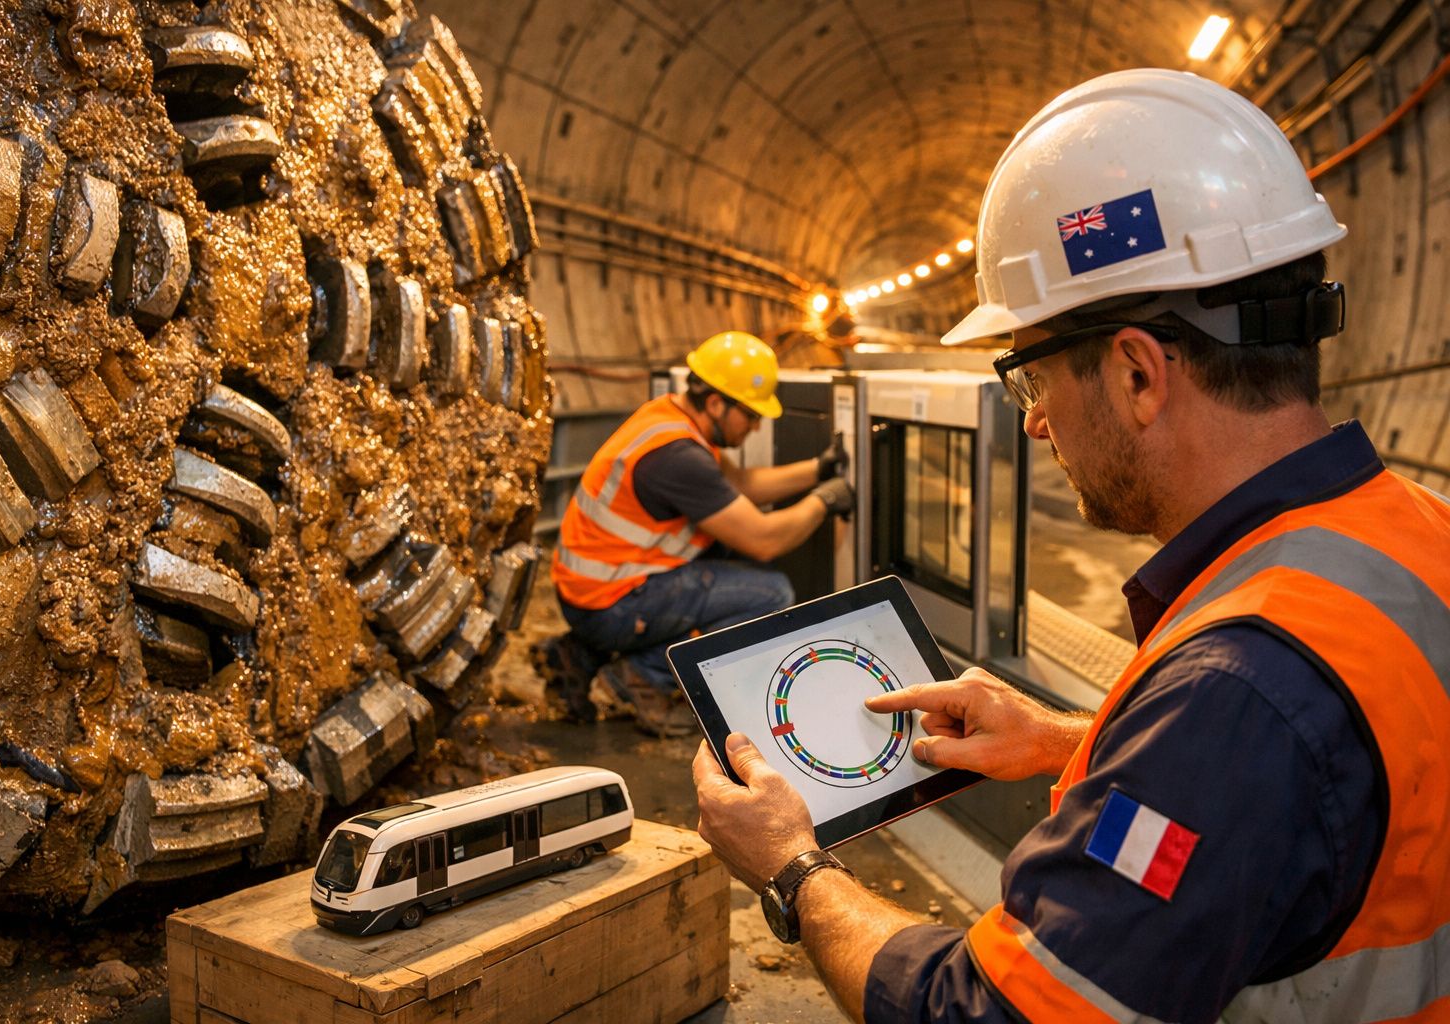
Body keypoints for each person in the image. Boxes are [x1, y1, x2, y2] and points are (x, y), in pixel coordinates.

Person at [693, 68, 1450, 1023]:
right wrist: (1072, 744)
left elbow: (987, 1012)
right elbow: (1312, 802)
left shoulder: (1234, 692)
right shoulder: (1414, 530)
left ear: (1137, 372)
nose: (1039, 425)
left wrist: (794, 867)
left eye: (1032, 380)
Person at [541, 331, 855, 738]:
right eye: (751, 415)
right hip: (609, 604)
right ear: (715, 403)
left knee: (723, 552)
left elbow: (742, 484)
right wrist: (825, 502)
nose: (757, 428)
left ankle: (580, 655)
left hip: (592, 591)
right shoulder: (679, 458)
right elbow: (764, 539)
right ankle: (639, 677)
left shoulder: (669, 420)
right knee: (771, 593)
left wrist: (818, 469)